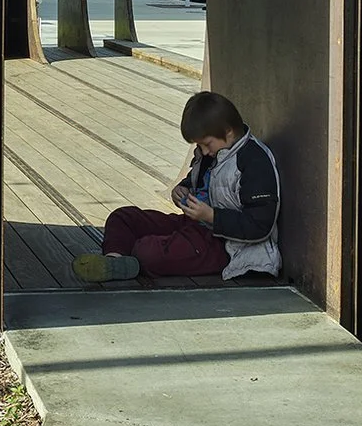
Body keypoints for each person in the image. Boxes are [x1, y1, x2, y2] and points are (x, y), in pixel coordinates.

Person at [75, 89, 280, 284]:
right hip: (193, 225)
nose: (204, 151)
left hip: (227, 246)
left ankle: (133, 260)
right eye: (198, 146)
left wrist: (212, 216)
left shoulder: (254, 161)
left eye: (206, 144)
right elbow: (199, 182)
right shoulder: (212, 153)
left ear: (227, 132)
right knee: (123, 217)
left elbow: (260, 226)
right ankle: (114, 261)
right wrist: (182, 189)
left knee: (148, 252)